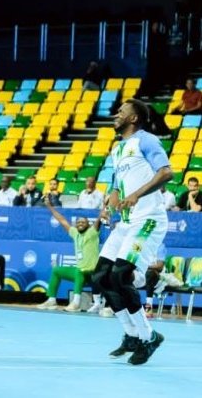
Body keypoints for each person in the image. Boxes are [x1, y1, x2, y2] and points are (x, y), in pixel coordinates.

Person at [90, 99, 173, 365]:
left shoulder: (146, 140)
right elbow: (117, 187)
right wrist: (108, 206)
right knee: (101, 277)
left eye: (121, 112)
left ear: (134, 118)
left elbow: (166, 173)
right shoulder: (118, 149)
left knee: (121, 275)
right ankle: (131, 335)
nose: (116, 114)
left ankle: (149, 337)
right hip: (126, 223)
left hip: (148, 219)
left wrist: (137, 194)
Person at [37, 196, 101, 312]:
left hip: (92, 273)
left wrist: (105, 205)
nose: (80, 223)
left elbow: (100, 218)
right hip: (80, 273)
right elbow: (61, 220)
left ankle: (76, 303)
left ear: (88, 225)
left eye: (83, 222)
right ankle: (51, 300)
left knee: (79, 271)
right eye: (78, 222)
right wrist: (49, 206)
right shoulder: (74, 233)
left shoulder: (92, 233)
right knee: (56, 270)